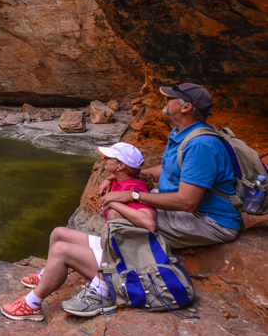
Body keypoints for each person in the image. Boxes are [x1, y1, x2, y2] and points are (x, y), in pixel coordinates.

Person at [1, 142, 156, 321]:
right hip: (114, 249)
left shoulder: (133, 189)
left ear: (121, 165)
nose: (104, 158)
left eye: (109, 157)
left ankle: (32, 304)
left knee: (60, 250)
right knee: (58, 233)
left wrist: (113, 202)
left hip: (123, 264)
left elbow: (149, 223)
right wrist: (110, 180)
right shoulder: (121, 181)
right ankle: (47, 275)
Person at [100, 83, 240, 249]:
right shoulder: (181, 133)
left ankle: (123, 269)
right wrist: (126, 174)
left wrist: (133, 195)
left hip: (210, 221)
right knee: (120, 203)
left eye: (171, 98)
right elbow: (167, 169)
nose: (165, 99)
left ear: (186, 107)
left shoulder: (200, 144)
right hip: (191, 209)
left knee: (120, 213)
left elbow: (187, 202)